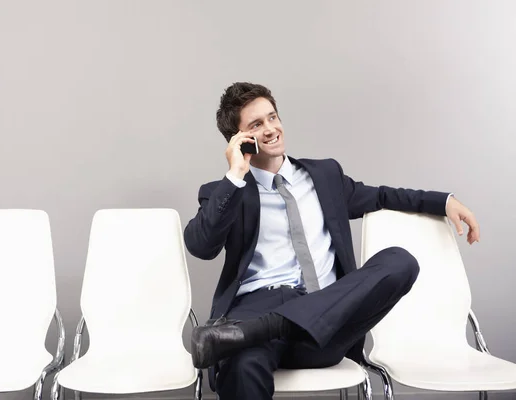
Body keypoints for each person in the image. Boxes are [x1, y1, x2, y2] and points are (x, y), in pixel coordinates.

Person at [183, 82, 480, 400]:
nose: (270, 129)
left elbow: (380, 195)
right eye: (257, 124)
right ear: (238, 139)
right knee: (242, 367)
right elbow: (201, 245)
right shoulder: (225, 191)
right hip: (254, 316)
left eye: (273, 117)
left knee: (399, 261)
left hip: (324, 324)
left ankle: (265, 327)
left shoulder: (324, 176)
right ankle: (261, 330)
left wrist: (443, 202)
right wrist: (235, 175)